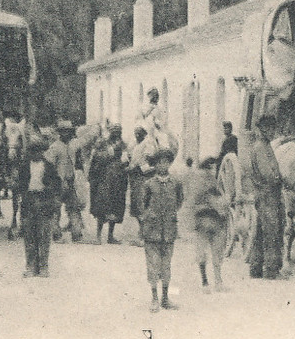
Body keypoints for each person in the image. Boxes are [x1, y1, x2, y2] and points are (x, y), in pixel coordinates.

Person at [138, 147, 185, 311]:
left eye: (166, 162)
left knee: (166, 266)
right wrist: (150, 218)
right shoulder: (149, 184)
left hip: (169, 231)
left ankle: (165, 298)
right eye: (159, 162)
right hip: (152, 231)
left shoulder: (176, 183)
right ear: (155, 165)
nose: (163, 165)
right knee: (153, 266)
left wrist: (169, 216)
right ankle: (154, 299)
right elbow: (142, 205)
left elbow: (179, 202)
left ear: (169, 164)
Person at [245, 114, 286, 280]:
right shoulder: (261, 148)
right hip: (268, 194)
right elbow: (267, 174)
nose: (272, 131)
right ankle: (271, 270)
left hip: (266, 195)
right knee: (272, 232)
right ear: (263, 129)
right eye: (269, 128)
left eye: (273, 128)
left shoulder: (264, 145)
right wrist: (281, 179)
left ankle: (255, 269)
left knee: (261, 233)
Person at [184, 155, 231, 291]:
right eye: (212, 167)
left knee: (207, 252)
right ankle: (213, 281)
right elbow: (207, 198)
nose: (213, 170)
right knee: (211, 252)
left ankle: (210, 282)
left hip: (207, 219)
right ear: (208, 167)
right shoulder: (204, 179)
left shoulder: (204, 179)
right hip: (207, 218)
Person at [18, 136, 59, 276]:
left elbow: (57, 185)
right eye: (33, 151)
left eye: (39, 151)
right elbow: (20, 185)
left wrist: (50, 196)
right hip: (29, 201)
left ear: (43, 151)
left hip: (44, 201)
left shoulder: (49, 166)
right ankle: (30, 266)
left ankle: (43, 266)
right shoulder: (24, 167)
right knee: (29, 236)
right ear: (29, 152)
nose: (36, 154)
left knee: (44, 236)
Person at [89, 124, 128, 244]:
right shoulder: (102, 143)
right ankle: (98, 236)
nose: (116, 134)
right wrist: (108, 154)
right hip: (104, 179)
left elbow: (126, 160)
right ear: (110, 132)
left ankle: (110, 236)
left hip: (118, 180)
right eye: (114, 131)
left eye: (118, 131)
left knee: (115, 208)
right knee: (102, 207)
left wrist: (125, 163)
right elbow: (95, 157)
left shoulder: (122, 144)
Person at [48, 120, 83, 243]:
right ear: (59, 133)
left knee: (74, 207)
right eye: (63, 131)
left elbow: (79, 162)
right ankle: (56, 234)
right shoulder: (55, 147)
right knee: (55, 209)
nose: (66, 134)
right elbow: (50, 166)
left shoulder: (74, 145)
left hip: (71, 181)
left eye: (68, 131)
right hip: (58, 182)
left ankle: (76, 234)